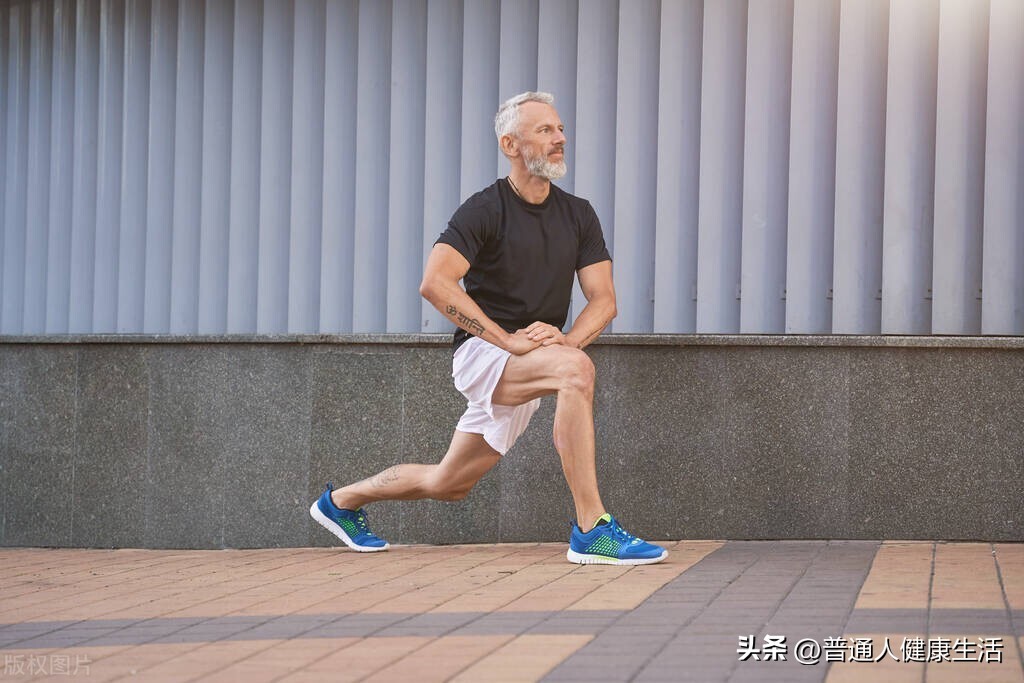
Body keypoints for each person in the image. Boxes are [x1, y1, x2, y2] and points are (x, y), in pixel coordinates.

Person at [310, 91, 667, 565]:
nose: (560, 138)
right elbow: (435, 284)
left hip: (535, 360)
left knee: (449, 483)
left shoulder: (578, 214)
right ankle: (591, 530)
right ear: (511, 145)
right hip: (482, 355)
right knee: (576, 373)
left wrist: (567, 339)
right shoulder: (485, 209)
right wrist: (508, 340)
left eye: (560, 129)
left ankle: (340, 503)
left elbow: (604, 300)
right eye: (544, 130)